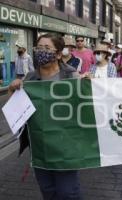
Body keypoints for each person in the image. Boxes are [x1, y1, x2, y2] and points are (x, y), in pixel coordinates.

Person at [8, 33, 81, 200]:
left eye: (47, 48)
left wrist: (87, 88)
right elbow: (18, 111)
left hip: (66, 146)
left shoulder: (71, 76)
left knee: (67, 192)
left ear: (57, 54)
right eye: (39, 48)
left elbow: (83, 109)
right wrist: (13, 90)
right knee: (48, 190)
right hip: (40, 146)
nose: (42, 52)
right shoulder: (31, 78)